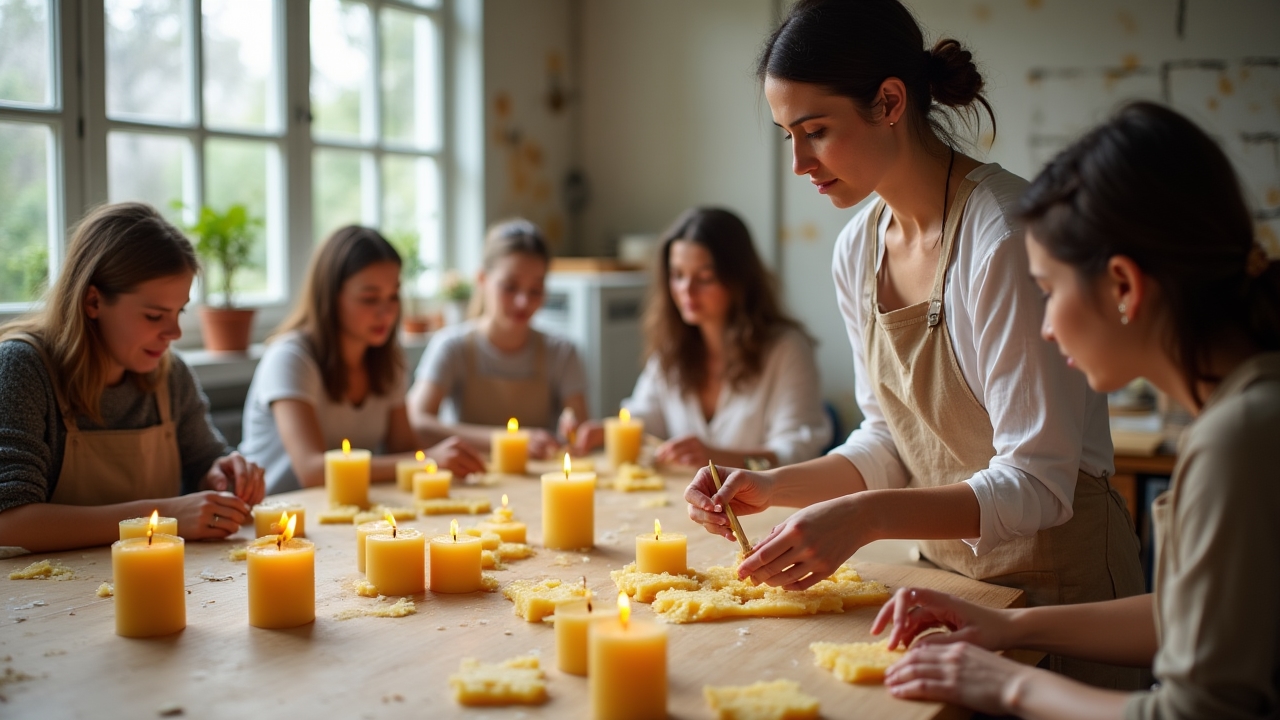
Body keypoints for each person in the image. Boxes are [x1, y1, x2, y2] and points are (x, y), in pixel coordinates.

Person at [685, 0, 1143, 687]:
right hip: (948, 588)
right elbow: (892, 442)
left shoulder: (1003, 238)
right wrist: (775, 486)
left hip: (1063, 591)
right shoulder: (858, 247)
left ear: (890, 102)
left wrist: (863, 518)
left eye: (816, 131)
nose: (800, 162)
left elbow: (1039, 484)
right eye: (788, 135)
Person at [875, 101, 1280, 720]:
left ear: (1123, 286)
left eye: (1049, 290)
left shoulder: (1241, 436)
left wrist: (1007, 684)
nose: (1046, 326)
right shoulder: (1241, 411)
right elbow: (1187, 613)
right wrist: (1008, 629)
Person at [0, 202, 265, 553]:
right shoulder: (22, 368)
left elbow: (204, 459)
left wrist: (222, 472)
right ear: (93, 301)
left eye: (179, 311)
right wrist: (161, 515)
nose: (173, 332)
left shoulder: (171, 374)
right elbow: (10, 520)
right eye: (155, 316)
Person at [573, 207, 830, 468]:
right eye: (677, 275)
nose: (686, 290)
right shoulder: (672, 349)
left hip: (765, 506)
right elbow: (644, 418)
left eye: (705, 277)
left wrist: (716, 458)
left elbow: (798, 454)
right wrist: (605, 431)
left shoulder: (787, 350)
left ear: (738, 278)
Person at [239, 226, 484, 494]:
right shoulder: (290, 358)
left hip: (334, 515)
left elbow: (403, 449)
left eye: (393, 296)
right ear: (331, 297)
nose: (387, 312)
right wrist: (426, 460)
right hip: (270, 520)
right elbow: (312, 470)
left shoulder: (388, 360)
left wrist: (436, 459)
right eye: (369, 298)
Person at [407, 219, 587, 459]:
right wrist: (507, 441)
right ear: (482, 280)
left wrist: (574, 434)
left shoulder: (562, 352)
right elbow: (417, 422)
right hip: (471, 482)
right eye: (510, 287)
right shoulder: (452, 346)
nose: (523, 302)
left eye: (535, 290)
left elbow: (580, 430)